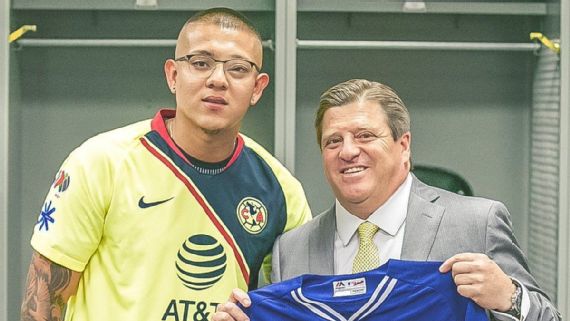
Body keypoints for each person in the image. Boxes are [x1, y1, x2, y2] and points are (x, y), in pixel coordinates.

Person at [20, 7, 311, 321]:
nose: (218, 80)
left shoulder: (281, 189)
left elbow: (301, 309)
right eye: (201, 63)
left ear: (257, 87)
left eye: (238, 69)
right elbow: (42, 306)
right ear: (174, 75)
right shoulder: (100, 162)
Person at [213, 79, 560, 321]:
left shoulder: (478, 222)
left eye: (365, 136)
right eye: (333, 141)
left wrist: (509, 298)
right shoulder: (292, 248)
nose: (348, 151)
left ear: (403, 145)